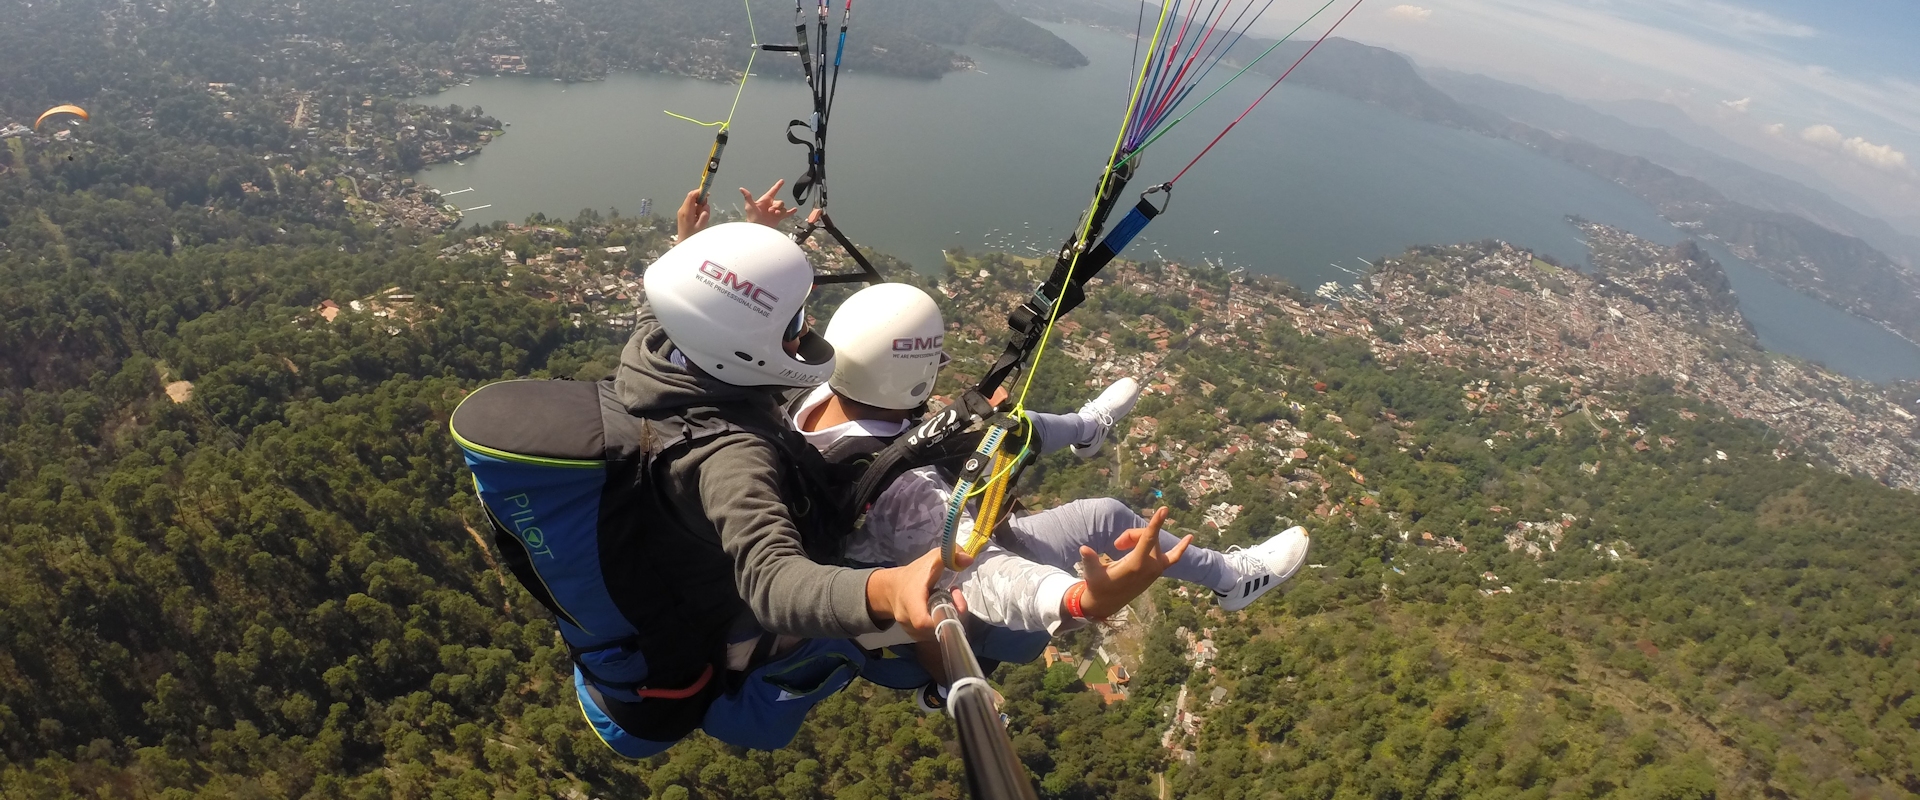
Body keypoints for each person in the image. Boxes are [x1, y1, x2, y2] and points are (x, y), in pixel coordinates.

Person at [458, 183, 972, 757]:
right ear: (744, 347)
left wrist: (711, 254)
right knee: (913, 636)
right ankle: (941, 682)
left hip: (645, 608)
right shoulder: (733, 456)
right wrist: (885, 589)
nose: (802, 332)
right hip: (694, 658)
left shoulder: (656, 352)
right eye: (792, 322)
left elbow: (701, 321)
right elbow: (772, 581)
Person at [792, 283, 1312, 647]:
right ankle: (1233, 580)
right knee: (1105, 516)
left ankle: (1087, 429)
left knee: (1002, 422)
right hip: (921, 559)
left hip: (871, 511)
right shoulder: (910, 499)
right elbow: (984, 575)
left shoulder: (807, 395)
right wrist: (1078, 598)